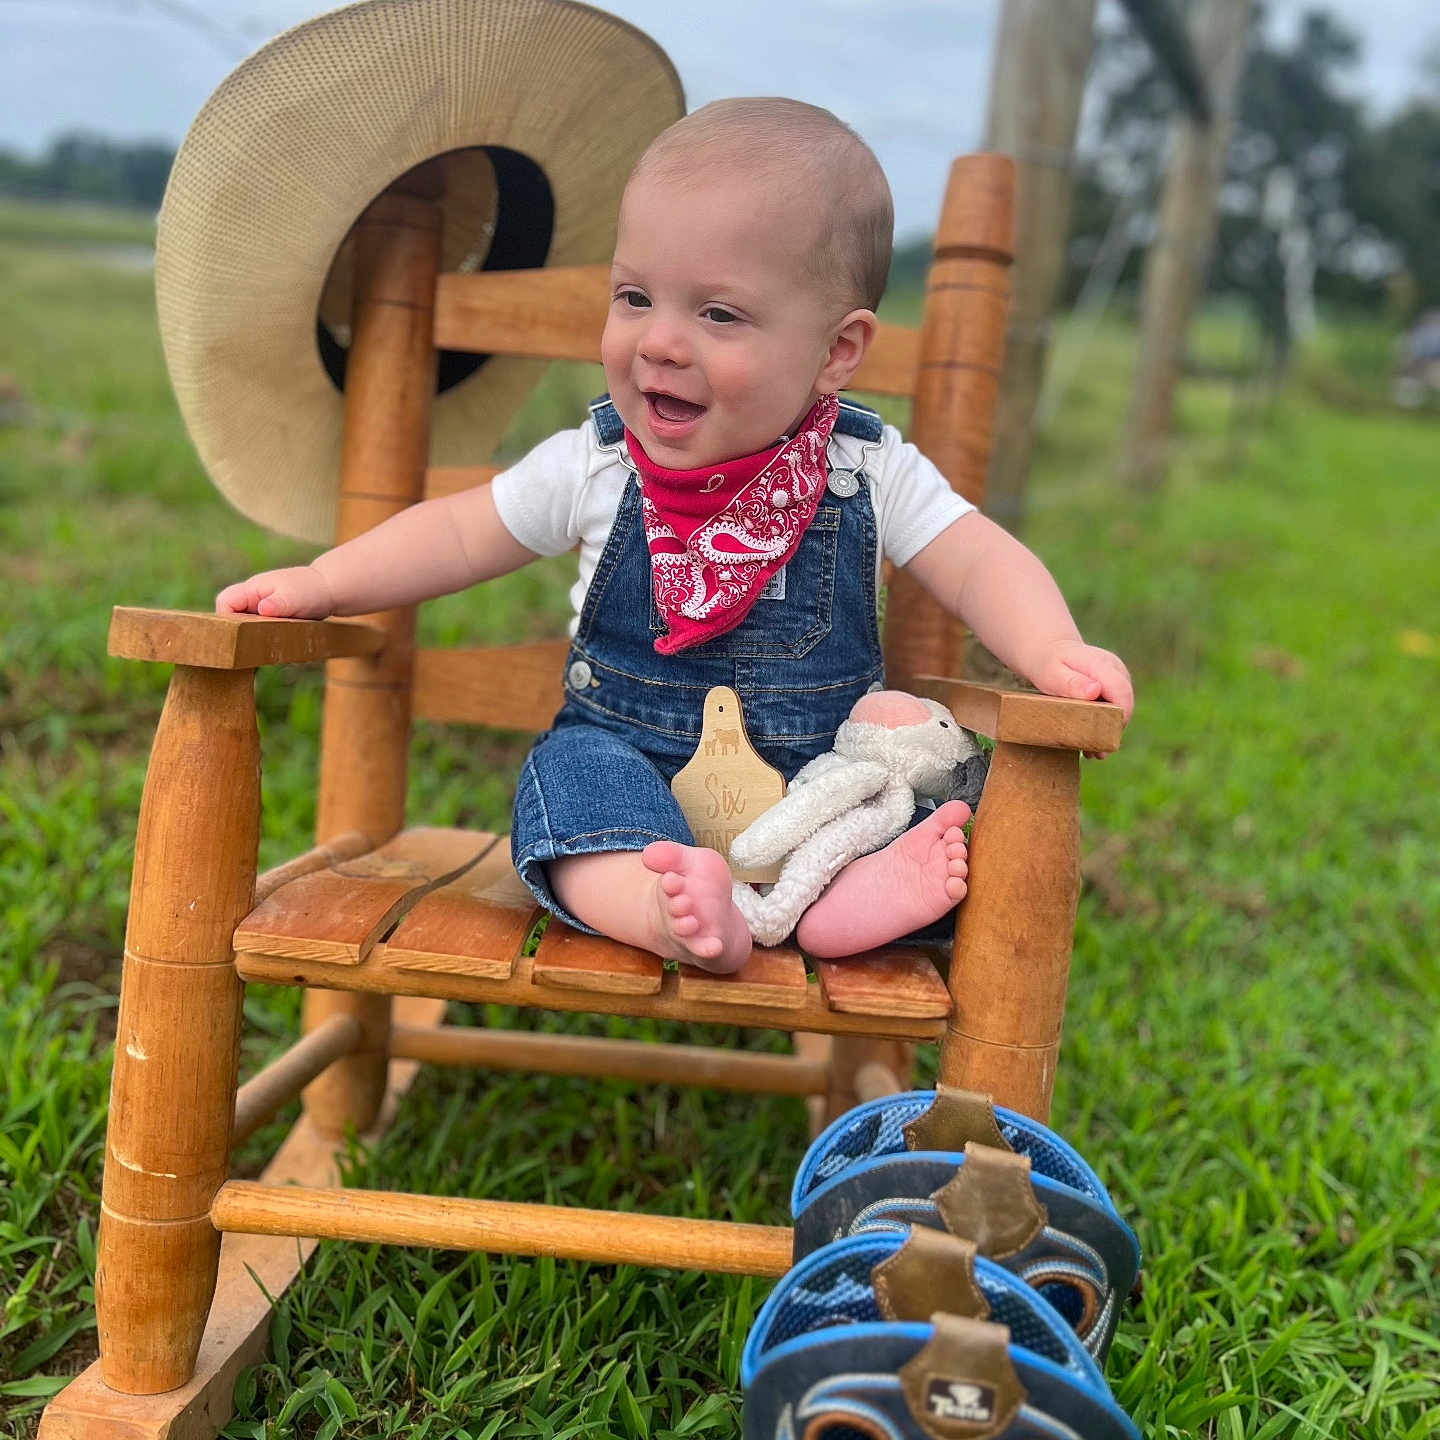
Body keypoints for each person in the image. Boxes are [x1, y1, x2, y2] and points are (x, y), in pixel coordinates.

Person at [216, 98, 1133, 976]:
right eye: (634, 297)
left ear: (836, 352)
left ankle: (844, 903)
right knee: (570, 785)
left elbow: (977, 557)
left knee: (904, 801)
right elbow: (458, 534)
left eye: (718, 313)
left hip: (814, 794)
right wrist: (325, 582)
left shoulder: (867, 469)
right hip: (630, 777)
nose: (658, 341)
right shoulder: (597, 463)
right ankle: (662, 908)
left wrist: (1051, 648)